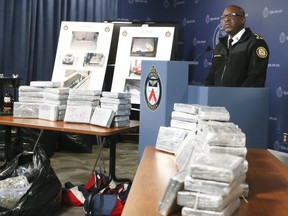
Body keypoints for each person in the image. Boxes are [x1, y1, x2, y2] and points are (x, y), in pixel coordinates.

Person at [204, 5, 269, 87]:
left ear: (243, 19)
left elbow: (255, 79)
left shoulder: (255, 42)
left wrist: (236, 97)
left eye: (231, 15)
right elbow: (212, 75)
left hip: (240, 98)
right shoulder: (220, 46)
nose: (226, 19)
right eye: (224, 17)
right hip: (217, 97)